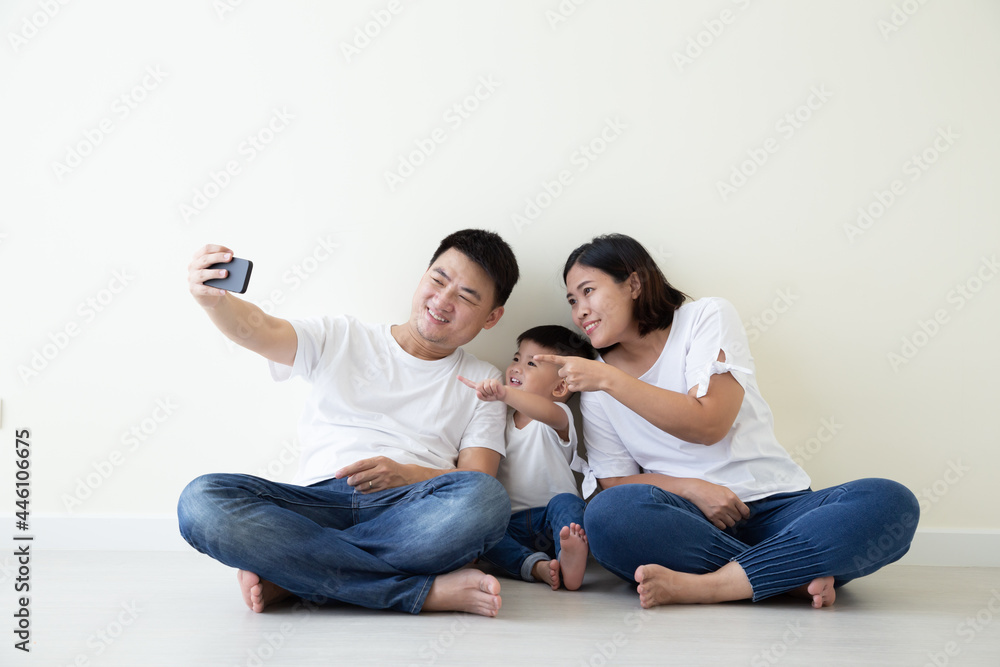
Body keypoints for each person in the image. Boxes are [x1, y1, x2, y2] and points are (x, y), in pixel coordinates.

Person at [534, 233, 919, 609]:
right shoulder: (595, 382)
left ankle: (713, 586)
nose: (579, 311)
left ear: (633, 284)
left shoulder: (705, 317)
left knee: (890, 503)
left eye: (588, 291)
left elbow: (709, 424)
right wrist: (692, 489)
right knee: (608, 515)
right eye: (572, 300)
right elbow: (616, 481)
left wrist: (610, 380)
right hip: (688, 521)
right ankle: (791, 574)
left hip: (778, 508)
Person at [176, 229, 521, 617]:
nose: (442, 301)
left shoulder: (484, 381)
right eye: (438, 280)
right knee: (200, 501)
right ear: (424, 275)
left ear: (492, 317)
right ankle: (419, 593)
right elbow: (263, 330)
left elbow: (477, 480)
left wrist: (408, 474)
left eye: (466, 297)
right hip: (313, 505)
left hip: (409, 512)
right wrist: (215, 302)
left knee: (487, 502)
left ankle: (292, 574)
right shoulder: (342, 335)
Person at [459, 325, 597, 591]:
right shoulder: (498, 421)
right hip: (510, 524)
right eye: (516, 358)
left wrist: (504, 393)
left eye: (531, 363)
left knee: (569, 504)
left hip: (553, 520)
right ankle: (537, 566)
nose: (516, 368)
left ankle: (569, 556)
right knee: (481, 531)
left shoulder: (557, 416)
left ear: (560, 387)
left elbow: (544, 411)